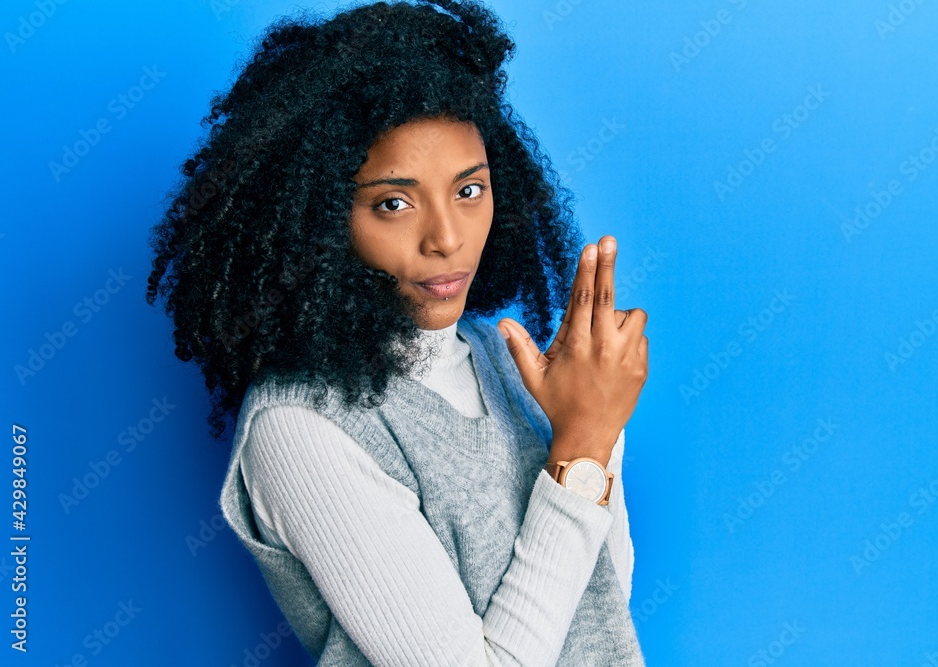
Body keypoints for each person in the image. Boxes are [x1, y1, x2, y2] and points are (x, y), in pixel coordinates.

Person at [145, 1, 649, 664]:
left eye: (469, 190)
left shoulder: (503, 358)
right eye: (393, 203)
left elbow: (600, 612)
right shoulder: (300, 427)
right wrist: (582, 447)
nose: (446, 237)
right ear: (321, 218)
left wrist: (599, 425)